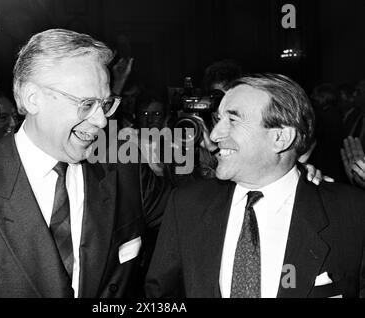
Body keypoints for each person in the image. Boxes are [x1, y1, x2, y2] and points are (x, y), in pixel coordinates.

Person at [0, 29, 170, 298]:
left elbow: (192, 216)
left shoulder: (122, 163)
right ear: (31, 99)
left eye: (106, 104)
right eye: (86, 104)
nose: (101, 120)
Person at [145, 74, 365, 298]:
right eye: (217, 119)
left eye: (232, 120)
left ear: (281, 137)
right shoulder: (186, 205)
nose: (214, 134)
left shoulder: (352, 214)